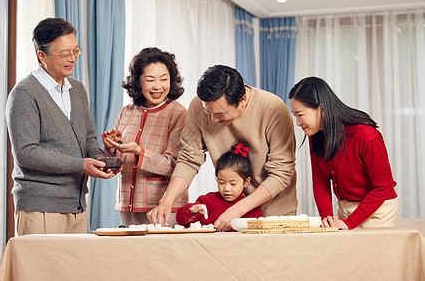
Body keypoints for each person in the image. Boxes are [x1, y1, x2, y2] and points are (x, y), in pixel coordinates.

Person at [147, 65, 298, 231]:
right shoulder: (199, 107)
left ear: (242, 100)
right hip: (230, 212)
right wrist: (167, 201)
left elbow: (282, 172)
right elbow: (189, 159)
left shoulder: (272, 108)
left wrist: (239, 209)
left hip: (274, 213)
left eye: (219, 114)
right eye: (208, 113)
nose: (212, 119)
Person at [6, 17, 119, 236]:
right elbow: (26, 153)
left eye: (76, 51)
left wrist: (104, 157)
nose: (72, 59)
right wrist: (81, 165)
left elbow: (88, 139)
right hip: (41, 209)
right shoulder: (24, 94)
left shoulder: (77, 89)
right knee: (40, 271)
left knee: (74, 271)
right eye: (64, 54)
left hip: (76, 207)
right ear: (42, 56)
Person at [289, 76, 398, 230]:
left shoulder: (366, 135)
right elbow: (320, 180)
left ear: (321, 108)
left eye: (300, 115)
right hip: (345, 208)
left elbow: (383, 186)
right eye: (295, 116)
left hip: (377, 211)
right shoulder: (316, 135)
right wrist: (327, 217)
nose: (298, 123)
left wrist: (350, 222)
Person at [102, 47, 187, 226]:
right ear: (138, 81)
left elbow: (177, 165)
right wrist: (111, 149)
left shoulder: (178, 114)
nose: (158, 86)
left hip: (163, 209)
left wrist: (139, 152)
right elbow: (118, 164)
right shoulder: (126, 112)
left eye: (164, 79)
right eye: (150, 80)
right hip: (128, 204)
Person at [176, 142, 264, 231]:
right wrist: (192, 211)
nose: (226, 189)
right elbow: (180, 219)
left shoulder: (252, 210)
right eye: (221, 182)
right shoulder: (207, 202)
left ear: (246, 182)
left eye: (233, 184)